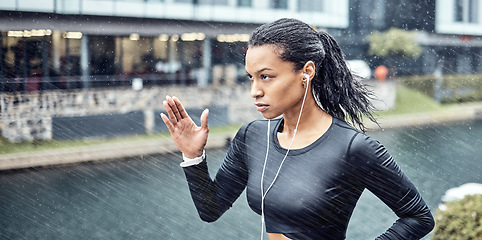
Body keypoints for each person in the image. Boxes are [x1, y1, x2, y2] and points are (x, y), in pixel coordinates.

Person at [161, 18, 434, 240]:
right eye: (251, 78)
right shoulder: (252, 137)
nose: (255, 91)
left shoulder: (353, 148)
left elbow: (418, 218)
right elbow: (211, 209)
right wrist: (193, 156)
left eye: (266, 77)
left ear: (306, 72)